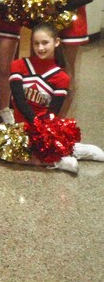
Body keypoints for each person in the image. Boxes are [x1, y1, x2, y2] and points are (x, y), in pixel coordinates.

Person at [7, 23, 104, 174]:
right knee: (1, 151)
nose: (40, 48)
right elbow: (19, 101)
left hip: (44, 127)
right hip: (23, 126)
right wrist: (34, 125)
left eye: (45, 43)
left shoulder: (61, 77)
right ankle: (58, 157)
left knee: (28, 152)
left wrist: (41, 132)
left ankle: (71, 150)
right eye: (36, 43)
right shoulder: (18, 65)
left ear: (56, 42)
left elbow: (53, 112)